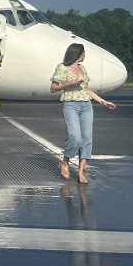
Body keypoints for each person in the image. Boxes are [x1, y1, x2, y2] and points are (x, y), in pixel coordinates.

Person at [51, 42, 117, 184]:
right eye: (83, 53)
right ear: (76, 54)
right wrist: (69, 84)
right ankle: (65, 162)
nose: (84, 56)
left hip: (86, 106)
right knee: (75, 137)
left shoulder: (82, 68)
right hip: (71, 105)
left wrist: (103, 101)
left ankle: (81, 172)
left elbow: (86, 89)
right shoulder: (62, 68)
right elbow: (53, 88)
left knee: (87, 139)